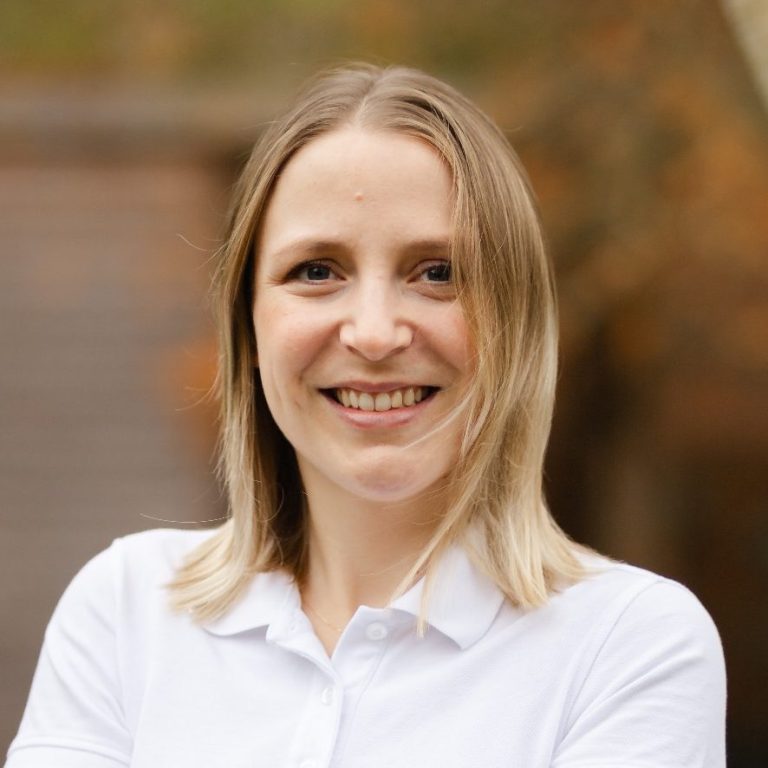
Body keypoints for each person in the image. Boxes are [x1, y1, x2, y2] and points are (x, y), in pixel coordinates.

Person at [6, 64, 726, 767]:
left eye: (438, 273)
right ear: (248, 324)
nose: (375, 333)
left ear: (518, 324)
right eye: (317, 271)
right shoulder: (128, 611)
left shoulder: (628, 646)